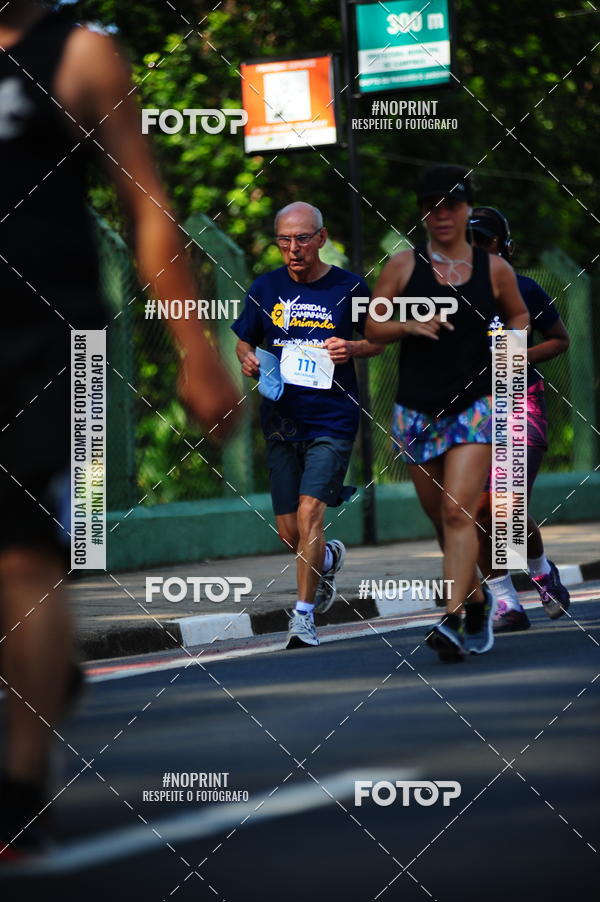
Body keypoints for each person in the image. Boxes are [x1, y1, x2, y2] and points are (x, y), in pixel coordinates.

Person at [0, 0, 240, 861]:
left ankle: (20, 791)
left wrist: (196, 350)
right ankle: (47, 668)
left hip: (41, 344)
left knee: (26, 556)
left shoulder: (84, 56)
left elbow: (147, 208)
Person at [365, 165, 530, 662]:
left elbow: (519, 313)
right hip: (415, 411)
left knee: (460, 511)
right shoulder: (401, 266)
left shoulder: (493, 269)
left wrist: (510, 347)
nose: (441, 215)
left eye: (451, 205)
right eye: (431, 206)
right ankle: (477, 600)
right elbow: (373, 328)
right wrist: (408, 325)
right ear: (423, 213)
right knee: (442, 521)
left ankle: (453, 619)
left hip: (475, 407)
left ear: (466, 209)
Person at [232, 202, 384, 649]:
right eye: (284, 239)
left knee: (309, 513)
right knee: (289, 531)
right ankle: (329, 557)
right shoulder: (266, 287)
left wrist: (352, 349)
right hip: (281, 421)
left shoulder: (350, 286)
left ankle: (303, 618)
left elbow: (379, 339)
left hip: (332, 419)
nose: (293, 248)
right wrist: (246, 356)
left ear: (321, 237)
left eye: (302, 238)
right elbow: (246, 336)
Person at [470, 206, 571, 631]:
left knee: (505, 502)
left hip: (519, 399)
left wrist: (518, 356)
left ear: (497, 244)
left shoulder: (525, 289)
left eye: (479, 239)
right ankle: (507, 602)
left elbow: (560, 340)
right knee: (474, 506)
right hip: (469, 408)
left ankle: (542, 571)